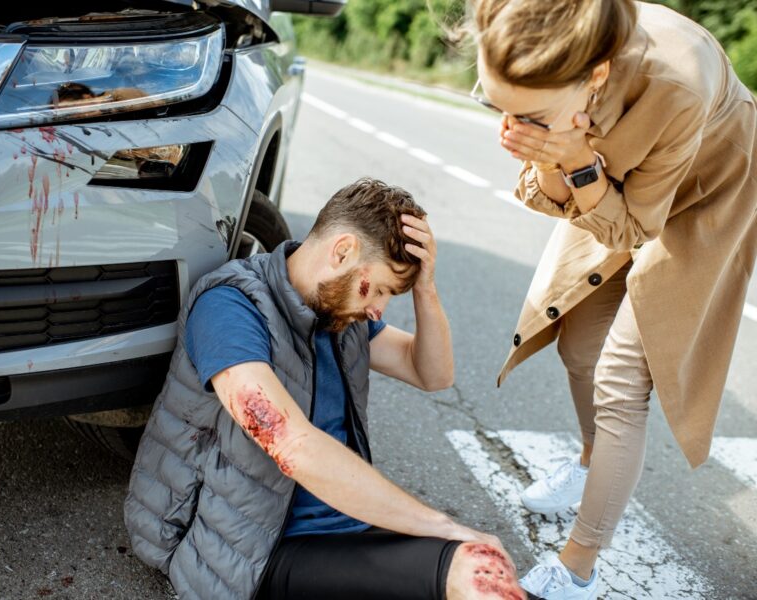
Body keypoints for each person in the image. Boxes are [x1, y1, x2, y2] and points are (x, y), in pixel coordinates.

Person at [465, 0, 757, 598]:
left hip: (707, 185)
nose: (513, 125)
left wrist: (573, 159)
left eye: (531, 115)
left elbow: (633, 229)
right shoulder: (532, 43)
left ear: (594, 77)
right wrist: (551, 153)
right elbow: (548, 196)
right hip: (605, 169)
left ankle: (578, 568)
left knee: (622, 378)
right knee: (578, 339)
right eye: (501, 107)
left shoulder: (676, 85)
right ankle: (589, 462)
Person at [124, 177, 529, 600]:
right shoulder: (230, 307)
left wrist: (425, 289)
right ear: (342, 252)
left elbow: (432, 373)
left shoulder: (341, 314)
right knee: (475, 572)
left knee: (485, 573)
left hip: (343, 528)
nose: (378, 308)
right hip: (250, 552)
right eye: (380, 289)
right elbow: (290, 443)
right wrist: (445, 527)